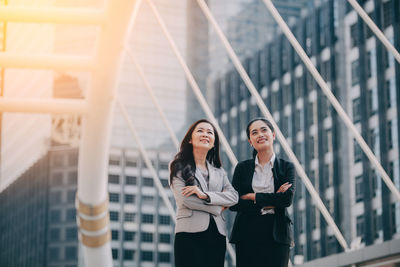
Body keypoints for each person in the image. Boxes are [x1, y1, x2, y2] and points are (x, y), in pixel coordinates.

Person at [169, 119, 238, 267]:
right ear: (190, 140)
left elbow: (233, 197)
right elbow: (185, 200)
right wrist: (218, 208)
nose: (205, 134)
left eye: (210, 132)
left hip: (217, 235)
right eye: (200, 130)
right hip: (189, 234)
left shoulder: (220, 172)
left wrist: (205, 195)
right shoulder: (179, 166)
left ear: (213, 143)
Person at [230, 118, 296, 267]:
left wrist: (253, 196)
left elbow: (286, 199)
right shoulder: (242, 168)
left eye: (264, 130)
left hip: (277, 233)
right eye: (254, 132)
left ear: (273, 135)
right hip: (246, 233)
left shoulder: (287, 167)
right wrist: (271, 200)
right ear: (250, 141)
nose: (260, 134)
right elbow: (235, 202)